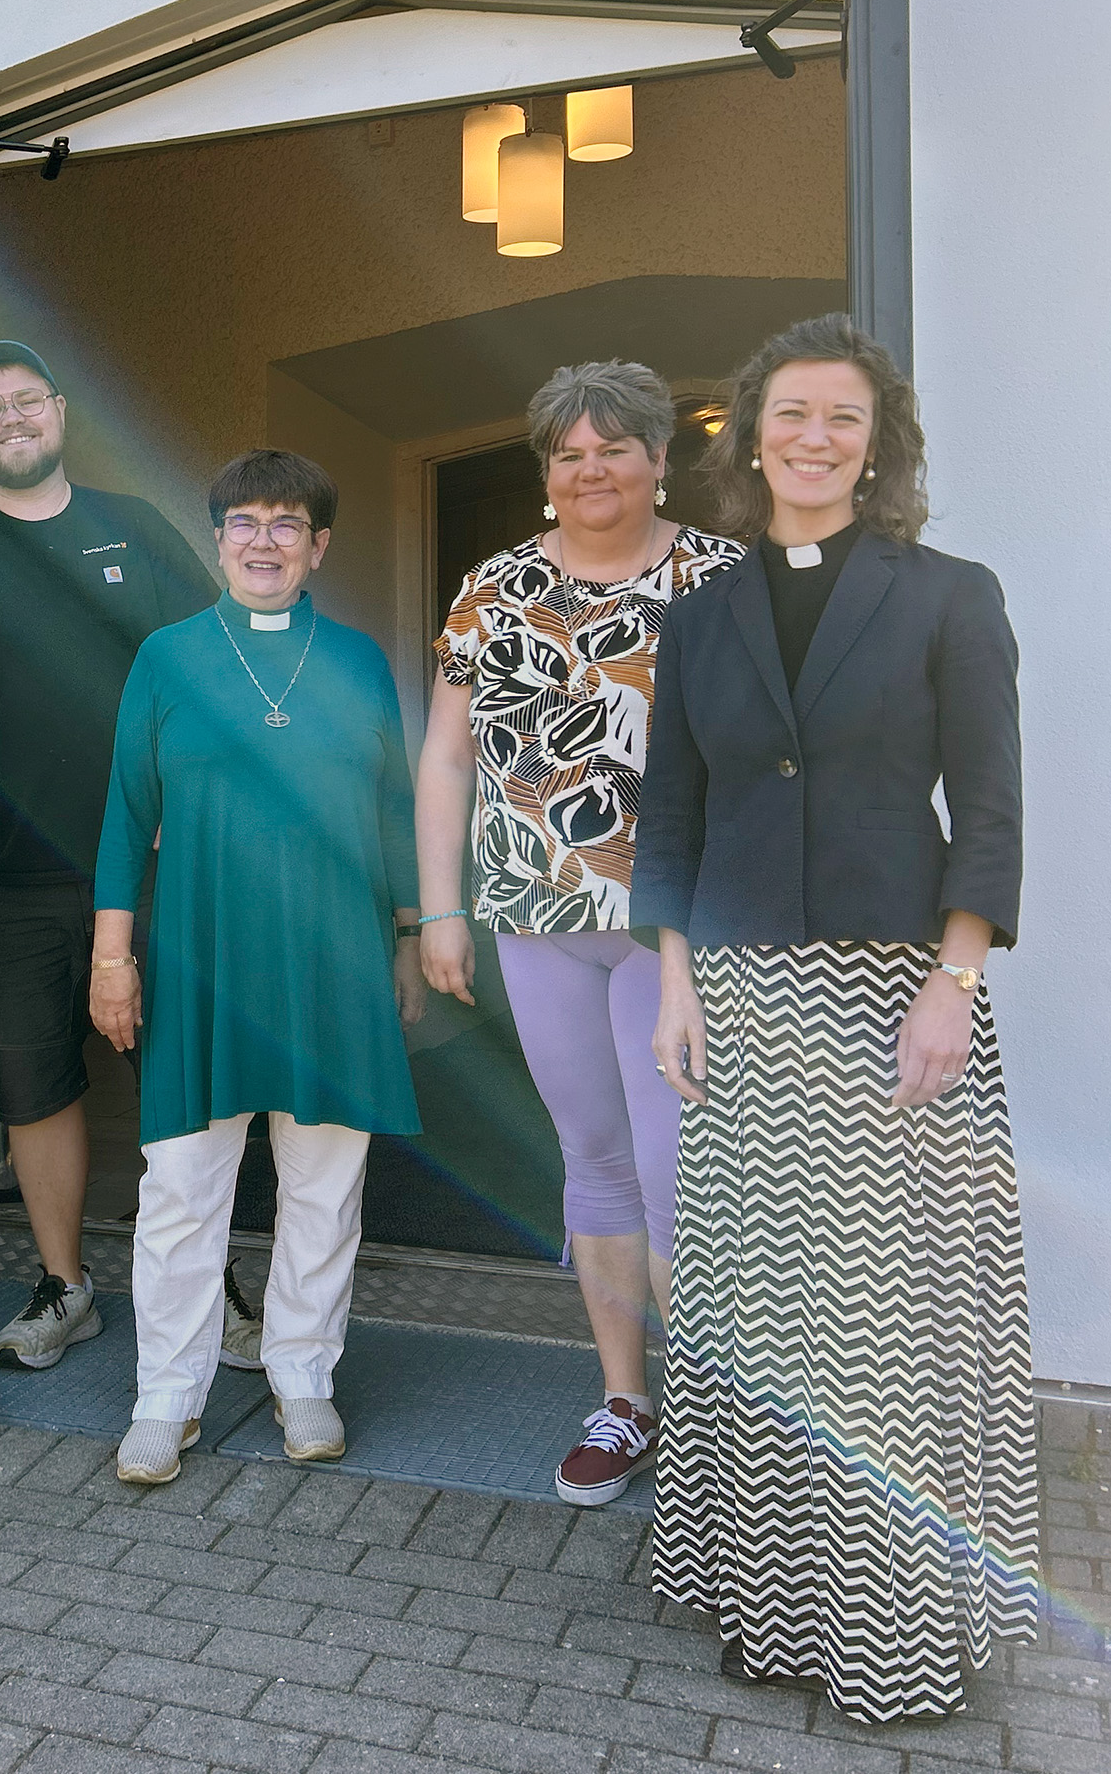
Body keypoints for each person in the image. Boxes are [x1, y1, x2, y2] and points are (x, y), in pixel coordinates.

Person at [633, 313, 1037, 1723]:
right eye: (789, 414)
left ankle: (898, 1632)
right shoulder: (699, 615)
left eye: (843, 420)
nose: (813, 438)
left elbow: (988, 804)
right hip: (741, 994)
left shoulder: (949, 594)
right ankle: (774, 1601)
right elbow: (673, 810)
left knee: (882, 1327)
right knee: (765, 1311)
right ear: (748, 437)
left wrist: (956, 978)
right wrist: (674, 977)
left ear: (880, 446)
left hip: (895, 992)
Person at [415, 361, 744, 1508]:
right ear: (546, 472)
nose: (591, 467)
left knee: (678, 1172)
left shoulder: (723, 579)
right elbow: (449, 755)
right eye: (568, 451)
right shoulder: (494, 587)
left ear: (660, 454)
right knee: (594, 1162)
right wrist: (443, 907)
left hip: (680, 934)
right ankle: (626, 1397)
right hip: (536, 914)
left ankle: (715, 1416)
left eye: (614, 446)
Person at [91, 448, 427, 1484]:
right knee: (185, 1183)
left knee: (326, 1183)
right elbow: (124, 813)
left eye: (288, 523)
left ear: (319, 545)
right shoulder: (168, 655)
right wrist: (113, 954)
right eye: (244, 522)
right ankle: (168, 1393)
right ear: (220, 538)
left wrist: (413, 933)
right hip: (202, 957)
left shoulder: (361, 660)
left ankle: (302, 1373)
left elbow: (398, 809)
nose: (265, 541)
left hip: (336, 959)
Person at [0, 341, 222, 1371]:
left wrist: (192, 803)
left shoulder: (132, 528)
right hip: (8, 874)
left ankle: (214, 1282)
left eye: (24, 402)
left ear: (60, 410)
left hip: (148, 861)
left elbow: (207, 670)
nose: (9, 421)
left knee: (181, 1074)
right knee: (33, 1081)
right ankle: (65, 1285)